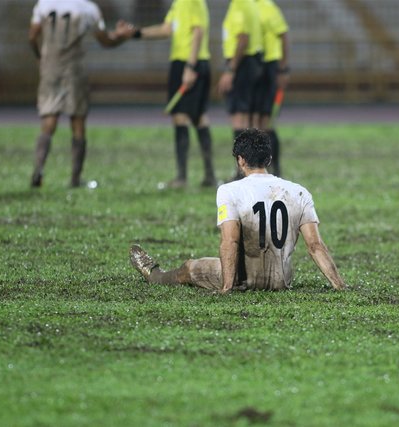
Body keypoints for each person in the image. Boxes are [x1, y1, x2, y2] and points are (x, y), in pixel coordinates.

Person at [130, 128, 346, 293]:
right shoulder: (299, 192)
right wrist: (339, 285)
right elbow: (315, 245)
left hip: (244, 279)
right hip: (282, 280)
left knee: (188, 268)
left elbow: (230, 241)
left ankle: (154, 275)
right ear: (269, 159)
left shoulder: (229, 190)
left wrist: (226, 287)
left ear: (240, 161)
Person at [29, 0, 134, 188]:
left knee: (49, 120)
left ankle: (39, 169)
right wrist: (121, 36)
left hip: (50, 68)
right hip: (73, 69)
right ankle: (75, 179)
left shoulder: (44, 4)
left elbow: (32, 36)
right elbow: (105, 40)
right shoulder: (88, 8)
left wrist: (40, 58)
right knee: (77, 122)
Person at [131, 0, 216, 188]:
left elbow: (198, 32)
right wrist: (136, 33)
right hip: (188, 63)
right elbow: (166, 29)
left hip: (189, 63)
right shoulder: (178, 3)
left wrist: (190, 67)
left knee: (181, 117)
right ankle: (208, 175)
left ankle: (183, 177)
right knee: (198, 117)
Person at [217, 0, 263, 178]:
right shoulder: (250, 4)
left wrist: (230, 69)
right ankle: (253, 168)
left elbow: (243, 39)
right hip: (252, 62)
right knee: (248, 119)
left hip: (242, 64)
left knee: (239, 118)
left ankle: (242, 171)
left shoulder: (239, 5)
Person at [252, 0, 289, 176]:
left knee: (267, 122)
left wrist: (282, 69)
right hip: (257, 66)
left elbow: (283, 36)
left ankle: (276, 168)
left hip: (270, 66)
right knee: (257, 122)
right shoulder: (248, 6)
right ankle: (260, 168)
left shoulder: (268, 7)